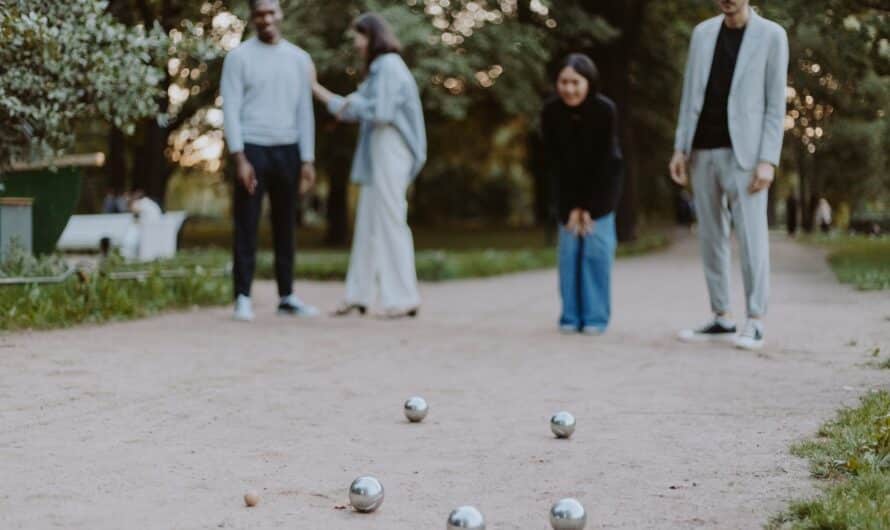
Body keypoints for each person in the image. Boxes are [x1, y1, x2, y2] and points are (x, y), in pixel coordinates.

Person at [669, 0, 788, 351]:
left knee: (752, 237)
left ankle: (755, 320)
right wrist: (680, 147)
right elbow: (690, 94)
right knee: (710, 236)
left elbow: (774, 103)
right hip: (702, 149)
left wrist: (768, 159)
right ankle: (722, 316)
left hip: (747, 155)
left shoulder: (772, 36)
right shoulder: (702, 34)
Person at [312, 13, 427, 319]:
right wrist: (319, 91)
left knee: (390, 219)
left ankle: (403, 297)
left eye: (359, 38)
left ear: (372, 36)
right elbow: (352, 107)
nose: (356, 44)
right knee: (368, 223)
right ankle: (358, 294)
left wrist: (332, 99)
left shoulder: (389, 66)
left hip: (391, 145)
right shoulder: (379, 71)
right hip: (380, 147)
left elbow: (381, 112)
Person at [221, 0, 319, 322]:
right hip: (253, 148)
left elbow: (305, 110)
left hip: (288, 149)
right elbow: (231, 109)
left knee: (285, 224)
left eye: (271, 12)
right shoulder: (238, 58)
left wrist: (307, 159)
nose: (266, 18)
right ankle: (243, 297)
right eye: (259, 13)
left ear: (280, 14)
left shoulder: (299, 59)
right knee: (247, 224)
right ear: (252, 18)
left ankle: (287, 295)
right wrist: (239, 157)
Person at [541, 53, 623, 336]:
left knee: (595, 254)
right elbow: (554, 164)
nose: (569, 89)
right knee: (569, 255)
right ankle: (570, 316)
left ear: (588, 82)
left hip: (601, 194)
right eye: (563, 82)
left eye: (575, 82)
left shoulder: (605, 110)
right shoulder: (551, 112)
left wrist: (588, 206)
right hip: (567, 196)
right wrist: (570, 207)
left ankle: (595, 317)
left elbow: (606, 162)